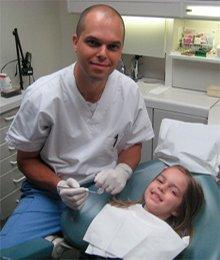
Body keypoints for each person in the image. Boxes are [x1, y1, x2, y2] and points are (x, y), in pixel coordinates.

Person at [0, 4, 154, 249]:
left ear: (120, 49)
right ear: (75, 42)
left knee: (129, 248)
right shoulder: (43, 95)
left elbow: (133, 143)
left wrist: (122, 171)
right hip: (49, 193)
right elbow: (25, 160)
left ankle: (61, 240)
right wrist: (58, 185)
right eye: (93, 43)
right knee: (9, 250)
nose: (103, 53)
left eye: (113, 46)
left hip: (102, 190)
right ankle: (57, 237)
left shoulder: (129, 91)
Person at [84, 165, 205, 259]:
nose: (161, 188)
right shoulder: (116, 211)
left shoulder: (166, 242)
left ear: (178, 210)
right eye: (160, 181)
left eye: (173, 191)